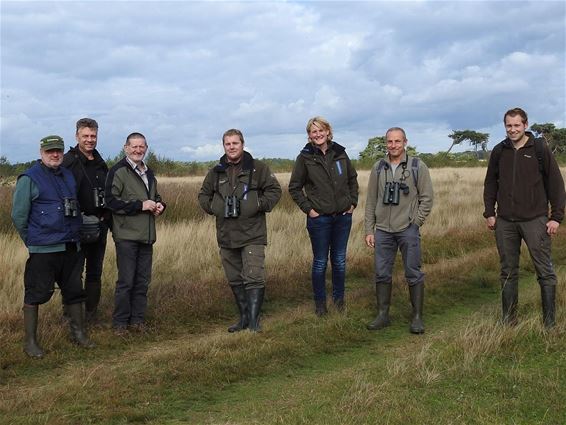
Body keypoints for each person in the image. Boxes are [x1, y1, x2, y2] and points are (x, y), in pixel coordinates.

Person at [11, 135, 95, 358]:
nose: (55, 154)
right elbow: (19, 216)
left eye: (58, 150)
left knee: (74, 291)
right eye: (50, 151)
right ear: (41, 153)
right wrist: (34, 241)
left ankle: (78, 334)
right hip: (43, 250)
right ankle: (30, 343)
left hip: (70, 246)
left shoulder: (68, 175)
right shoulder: (29, 178)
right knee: (36, 292)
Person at [483, 107, 565, 328]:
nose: (513, 129)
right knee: (508, 272)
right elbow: (490, 182)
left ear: (525, 125)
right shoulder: (499, 151)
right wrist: (490, 213)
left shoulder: (539, 148)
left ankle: (549, 323)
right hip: (505, 223)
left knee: (545, 271)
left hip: (535, 220)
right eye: (509, 125)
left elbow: (556, 183)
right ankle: (509, 321)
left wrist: (556, 217)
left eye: (517, 125)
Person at [198, 129, 281, 332]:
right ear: (223, 146)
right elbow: (203, 195)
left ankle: (254, 322)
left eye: (235, 143)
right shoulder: (216, 171)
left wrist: (258, 204)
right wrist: (215, 207)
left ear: (242, 144)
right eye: (228, 144)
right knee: (234, 277)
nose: (232, 147)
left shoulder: (258, 168)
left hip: (252, 232)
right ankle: (244, 318)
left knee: (253, 276)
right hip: (226, 233)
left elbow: (275, 190)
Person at [364, 127, 433, 334]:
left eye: (397, 141)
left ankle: (417, 317)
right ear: (386, 143)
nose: (393, 145)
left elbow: (427, 198)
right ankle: (383, 315)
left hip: (408, 229)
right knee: (382, 273)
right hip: (383, 230)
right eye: (390, 142)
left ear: (405, 142)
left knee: (413, 272)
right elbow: (371, 201)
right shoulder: (378, 168)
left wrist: (416, 223)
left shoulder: (417, 166)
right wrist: (369, 229)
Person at [289, 116, 359, 316]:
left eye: (321, 130)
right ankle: (320, 305)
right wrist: (310, 210)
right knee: (320, 262)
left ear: (328, 132)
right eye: (313, 131)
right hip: (319, 220)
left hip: (343, 217)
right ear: (309, 135)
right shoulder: (305, 158)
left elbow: (352, 179)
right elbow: (294, 188)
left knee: (339, 260)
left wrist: (352, 203)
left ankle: (339, 301)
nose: (318, 134)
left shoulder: (340, 153)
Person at [104, 132, 165, 334]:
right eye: (134, 146)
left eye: (142, 147)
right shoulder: (118, 171)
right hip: (127, 237)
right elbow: (111, 202)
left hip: (146, 236)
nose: (138, 150)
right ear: (126, 148)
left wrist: (159, 205)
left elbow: (155, 196)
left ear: (146, 148)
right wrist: (140, 205)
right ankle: (120, 324)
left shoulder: (149, 172)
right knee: (126, 282)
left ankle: (137, 322)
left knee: (142, 281)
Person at [62, 118, 110, 324]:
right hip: (75, 228)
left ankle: (91, 316)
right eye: (85, 136)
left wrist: (107, 219)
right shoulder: (67, 162)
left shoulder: (100, 163)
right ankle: (72, 318)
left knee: (95, 272)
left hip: (99, 226)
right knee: (73, 274)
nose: (90, 140)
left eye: (93, 136)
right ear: (77, 137)